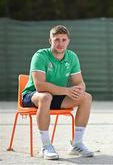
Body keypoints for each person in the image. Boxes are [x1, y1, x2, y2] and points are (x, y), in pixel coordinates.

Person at [22, 25, 94, 160]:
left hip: (56, 96)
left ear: (68, 41)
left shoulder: (72, 57)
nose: (60, 43)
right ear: (50, 41)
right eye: (56, 40)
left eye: (63, 40)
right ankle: (46, 146)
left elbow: (80, 82)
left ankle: (77, 144)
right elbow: (40, 86)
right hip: (33, 95)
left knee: (86, 97)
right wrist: (67, 90)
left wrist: (80, 90)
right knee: (45, 97)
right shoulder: (40, 55)